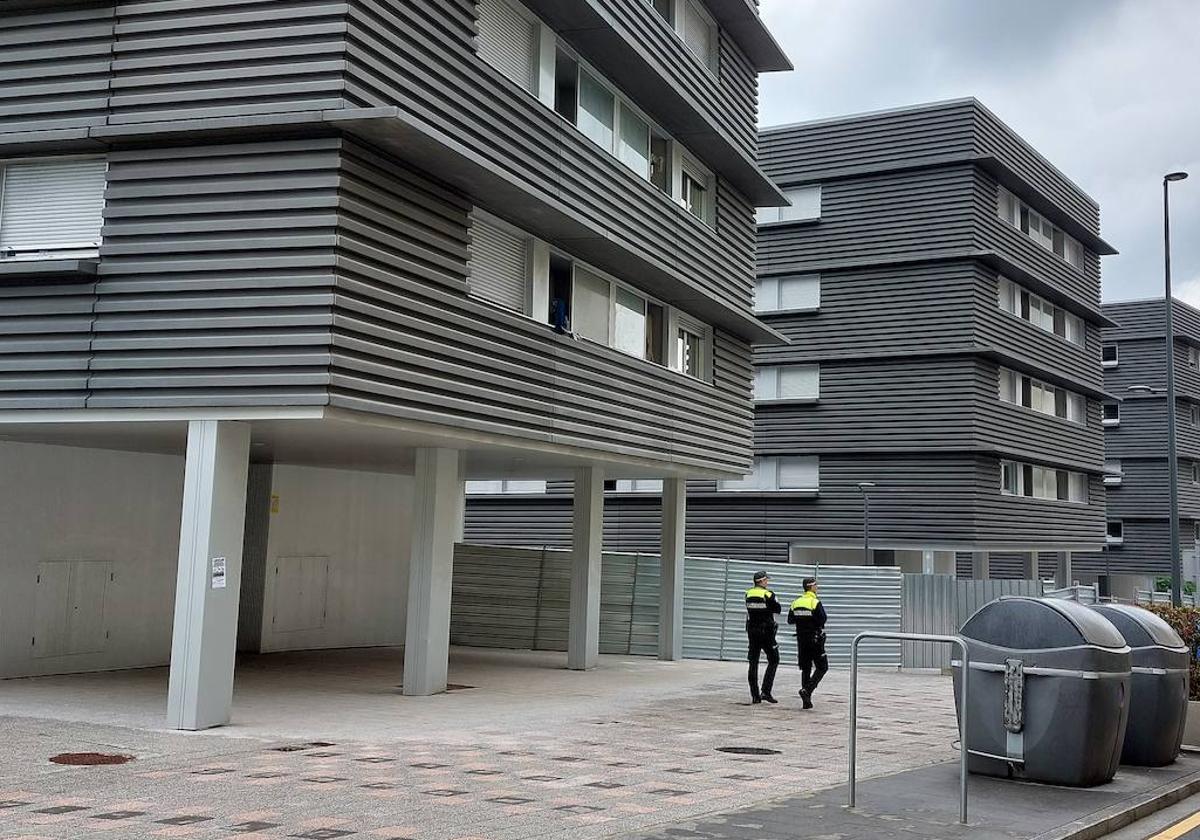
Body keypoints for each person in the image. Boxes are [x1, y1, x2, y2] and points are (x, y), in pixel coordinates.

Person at [788, 576, 828, 710]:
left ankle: (806, 701)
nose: (817, 587)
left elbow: (790, 619)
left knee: (805, 668)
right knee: (822, 667)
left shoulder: (796, 602)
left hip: (801, 640)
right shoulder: (815, 602)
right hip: (815, 639)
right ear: (811, 587)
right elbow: (823, 619)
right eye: (816, 585)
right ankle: (807, 690)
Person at [745, 570, 781, 704]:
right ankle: (766, 691)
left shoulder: (748, 594)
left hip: (752, 632)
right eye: (766, 580)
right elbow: (778, 609)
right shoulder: (768, 594)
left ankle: (755, 695)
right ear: (761, 581)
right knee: (774, 659)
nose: (767, 582)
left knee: (753, 662)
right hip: (766, 632)